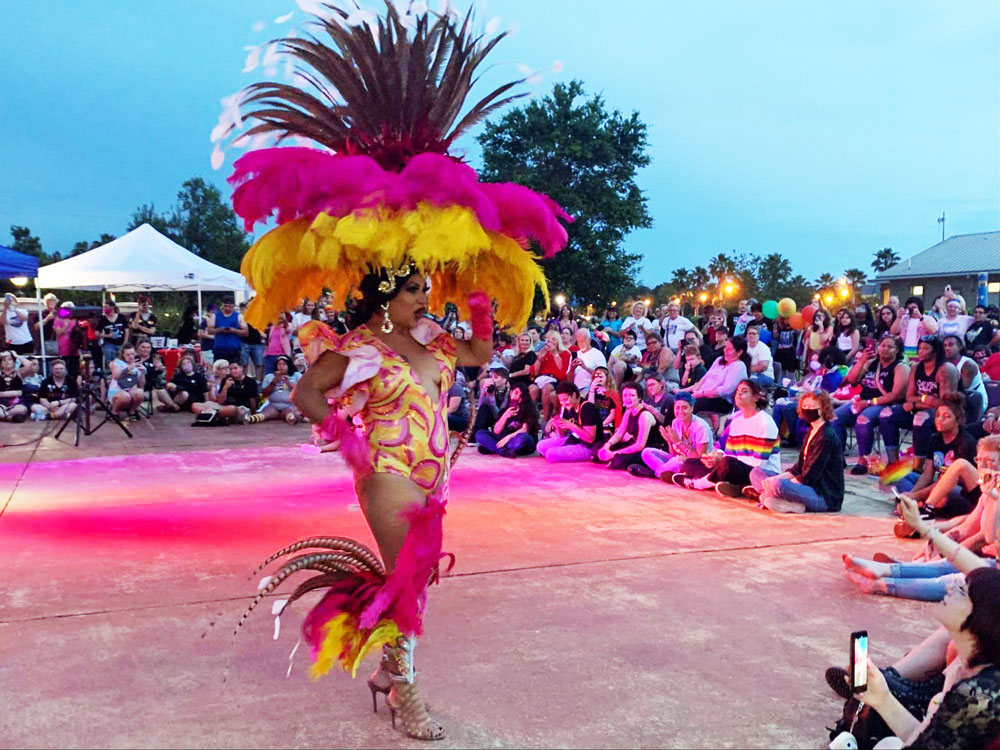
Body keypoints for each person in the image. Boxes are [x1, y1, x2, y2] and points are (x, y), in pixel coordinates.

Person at [846, 515, 1000, 749]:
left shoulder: (979, 694)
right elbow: (926, 738)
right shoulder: (971, 670)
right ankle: (894, 683)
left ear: (981, 618)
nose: (949, 587)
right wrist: (882, 699)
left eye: (961, 591)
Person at [843, 436, 1000, 600]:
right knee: (945, 563)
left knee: (953, 580)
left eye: (990, 461)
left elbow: (987, 536)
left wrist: (950, 550)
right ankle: (889, 569)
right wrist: (938, 541)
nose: (982, 466)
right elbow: (966, 528)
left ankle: (883, 583)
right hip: (987, 560)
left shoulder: (993, 494)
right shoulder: (987, 494)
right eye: (979, 460)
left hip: (994, 566)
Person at [674, 379, 780, 497]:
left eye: (744, 391)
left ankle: (698, 483)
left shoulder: (765, 422)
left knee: (727, 464)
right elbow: (730, 454)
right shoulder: (736, 422)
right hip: (737, 467)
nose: (738, 394)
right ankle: (733, 485)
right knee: (690, 463)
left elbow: (760, 464)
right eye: (737, 391)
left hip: (761, 474)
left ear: (756, 397)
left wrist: (724, 460)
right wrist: (715, 458)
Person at [748, 390, 844, 512]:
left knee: (778, 485)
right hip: (805, 486)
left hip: (822, 495)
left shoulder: (826, 436)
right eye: (805, 406)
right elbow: (798, 468)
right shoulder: (812, 431)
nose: (807, 409)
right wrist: (776, 478)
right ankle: (779, 499)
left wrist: (779, 482)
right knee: (756, 472)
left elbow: (810, 476)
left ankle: (767, 496)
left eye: (812, 407)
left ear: (823, 409)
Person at [891, 395, 980, 521]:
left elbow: (951, 483)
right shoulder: (935, 439)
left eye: (946, 416)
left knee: (947, 493)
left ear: (958, 420)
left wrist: (916, 495)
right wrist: (911, 495)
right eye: (938, 415)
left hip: (957, 490)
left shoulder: (966, 443)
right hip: (935, 487)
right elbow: (927, 475)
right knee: (903, 477)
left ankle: (922, 504)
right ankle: (915, 504)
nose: (940, 419)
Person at [832, 334, 910, 474]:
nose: (885, 349)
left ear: (897, 350)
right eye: (882, 345)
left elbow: (896, 395)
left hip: (884, 403)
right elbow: (852, 379)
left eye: (890, 346)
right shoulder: (872, 363)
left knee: (863, 420)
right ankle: (838, 457)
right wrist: (862, 361)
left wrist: (869, 403)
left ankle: (864, 459)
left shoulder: (900, 367)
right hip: (862, 400)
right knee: (835, 417)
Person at [880, 336, 959, 463]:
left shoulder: (945, 369)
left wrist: (917, 403)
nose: (920, 352)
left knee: (920, 418)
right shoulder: (916, 368)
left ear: (935, 351)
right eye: (919, 348)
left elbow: (944, 402)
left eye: (925, 348)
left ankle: (919, 465)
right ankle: (893, 462)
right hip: (922, 408)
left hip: (948, 412)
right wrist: (925, 399)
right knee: (886, 414)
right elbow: (909, 397)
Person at [639, 392, 713, 481]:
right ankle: (667, 473)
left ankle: (655, 473)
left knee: (677, 461)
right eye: (677, 408)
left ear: (692, 408)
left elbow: (700, 457)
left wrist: (678, 442)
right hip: (679, 459)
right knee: (647, 452)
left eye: (684, 408)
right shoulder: (676, 422)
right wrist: (669, 441)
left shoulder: (700, 427)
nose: (680, 412)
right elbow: (673, 454)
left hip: (697, 463)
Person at [684, 336, 751, 418]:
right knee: (680, 400)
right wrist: (695, 391)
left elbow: (726, 390)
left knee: (688, 406)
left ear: (739, 352)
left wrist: (702, 394)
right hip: (702, 394)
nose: (725, 351)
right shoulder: (719, 360)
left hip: (720, 401)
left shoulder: (738, 366)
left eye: (729, 349)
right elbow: (706, 377)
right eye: (725, 347)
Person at [537, 381, 604, 462]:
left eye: (565, 399)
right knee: (540, 446)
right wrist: (558, 426)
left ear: (574, 395)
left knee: (551, 454)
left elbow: (590, 438)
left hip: (587, 446)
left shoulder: (587, 408)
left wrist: (571, 425)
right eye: (561, 401)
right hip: (573, 440)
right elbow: (562, 436)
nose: (563, 403)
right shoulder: (567, 407)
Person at [597, 381, 657, 471]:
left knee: (618, 460)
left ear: (639, 397)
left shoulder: (644, 415)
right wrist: (607, 445)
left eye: (632, 395)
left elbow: (640, 445)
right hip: (633, 444)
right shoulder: (628, 412)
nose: (628, 398)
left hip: (646, 450)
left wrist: (615, 453)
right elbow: (619, 434)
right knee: (598, 449)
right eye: (625, 396)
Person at [474, 383, 539, 457]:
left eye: (521, 396)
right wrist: (505, 416)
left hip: (519, 440)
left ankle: (493, 448)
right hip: (503, 438)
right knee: (480, 434)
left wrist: (507, 438)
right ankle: (502, 451)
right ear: (511, 393)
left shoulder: (529, 410)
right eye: (516, 393)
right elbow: (496, 431)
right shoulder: (503, 410)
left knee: (522, 439)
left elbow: (524, 430)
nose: (517, 397)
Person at [942, 334, 988, 424]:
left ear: (960, 347)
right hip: (952, 399)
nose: (947, 348)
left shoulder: (968, 364)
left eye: (950, 345)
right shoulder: (944, 363)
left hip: (973, 402)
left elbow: (961, 389)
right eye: (944, 345)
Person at [531, 329, 572, 424]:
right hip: (540, 379)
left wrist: (554, 354)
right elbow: (535, 372)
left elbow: (562, 373)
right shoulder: (542, 352)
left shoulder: (565, 353)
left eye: (553, 339)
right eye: (548, 339)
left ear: (558, 341)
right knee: (532, 389)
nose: (550, 342)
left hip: (555, 380)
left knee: (547, 388)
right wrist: (539, 359)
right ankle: (531, 418)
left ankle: (545, 420)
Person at [247, 355, 301, 424]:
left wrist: (289, 384)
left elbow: (301, 392)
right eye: (279, 364)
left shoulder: (296, 375)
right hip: (273, 405)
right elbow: (264, 394)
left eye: (284, 364)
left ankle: (291, 418)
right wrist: (273, 382)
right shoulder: (269, 376)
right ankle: (249, 419)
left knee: (289, 414)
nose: (281, 366)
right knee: (264, 415)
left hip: (290, 405)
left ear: (289, 365)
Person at [891, 296, 938, 360]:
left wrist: (921, 318)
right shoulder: (904, 319)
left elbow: (933, 331)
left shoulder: (928, 318)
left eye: (914, 307)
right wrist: (898, 317)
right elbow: (893, 332)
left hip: (920, 350)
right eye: (909, 308)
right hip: (904, 350)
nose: (911, 310)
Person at [108, 343, 145, 420]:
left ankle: (132, 412)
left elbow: (141, 385)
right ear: (123, 355)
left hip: (131, 391)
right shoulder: (117, 363)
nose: (131, 356)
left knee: (140, 393)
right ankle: (114, 413)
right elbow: (116, 376)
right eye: (128, 355)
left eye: (132, 354)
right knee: (125, 396)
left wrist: (142, 372)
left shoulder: (137, 364)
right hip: (117, 391)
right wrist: (129, 368)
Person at [214, 360, 259, 425]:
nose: (233, 371)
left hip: (242, 409)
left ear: (241, 368)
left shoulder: (251, 382)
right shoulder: (226, 380)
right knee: (197, 405)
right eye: (230, 369)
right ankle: (217, 416)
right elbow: (220, 401)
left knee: (232, 409)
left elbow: (252, 401)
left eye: (235, 368)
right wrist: (225, 388)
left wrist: (253, 415)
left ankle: (215, 415)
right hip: (225, 407)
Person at [208, 296, 247, 366]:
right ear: (222, 305)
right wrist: (219, 330)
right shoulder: (215, 315)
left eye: (229, 306)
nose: (227, 308)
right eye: (225, 306)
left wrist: (234, 330)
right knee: (219, 370)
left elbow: (246, 332)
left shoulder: (239, 316)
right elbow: (209, 330)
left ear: (233, 306)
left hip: (234, 350)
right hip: (219, 349)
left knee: (234, 371)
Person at [570, 328, 607, 397]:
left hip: (590, 387)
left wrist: (585, 367)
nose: (581, 344)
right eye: (579, 342)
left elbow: (603, 376)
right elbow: (569, 379)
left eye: (583, 341)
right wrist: (572, 369)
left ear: (589, 340)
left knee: (581, 396)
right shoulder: (574, 355)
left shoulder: (597, 354)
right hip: (574, 388)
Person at [587, 366, 622, 431]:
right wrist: (591, 391)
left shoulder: (613, 393)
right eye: (596, 377)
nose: (598, 379)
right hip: (594, 423)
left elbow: (613, 414)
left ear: (607, 378)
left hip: (607, 424)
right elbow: (589, 408)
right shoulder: (592, 392)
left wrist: (601, 425)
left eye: (600, 377)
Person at [0, 350, 29, 422]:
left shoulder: (19, 372)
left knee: (23, 409)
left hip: (15, 403)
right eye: (4, 360)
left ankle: (3, 415)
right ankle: (8, 417)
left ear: (14, 362)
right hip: (0, 403)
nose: (7, 362)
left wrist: (16, 355)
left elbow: (29, 365)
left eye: (10, 359)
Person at [239, 302, 265, 380]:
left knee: (259, 364)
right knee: (244, 364)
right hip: (244, 343)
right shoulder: (243, 317)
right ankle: (244, 382)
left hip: (257, 343)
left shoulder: (260, 317)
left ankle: (258, 383)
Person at [97, 300, 126, 367]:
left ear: (112, 307)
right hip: (109, 344)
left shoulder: (121, 317)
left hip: (121, 342)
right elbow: (97, 333)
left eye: (106, 307)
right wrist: (107, 335)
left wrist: (125, 342)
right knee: (110, 361)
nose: (104, 309)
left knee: (122, 360)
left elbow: (126, 330)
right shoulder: (103, 319)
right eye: (104, 307)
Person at [771, 315, 800, 379]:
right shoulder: (780, 329)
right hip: (781, 352)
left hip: (790, 352)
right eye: (785, 319)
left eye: (788, 319)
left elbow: (798, 333)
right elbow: (775, 337)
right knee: (781, 371)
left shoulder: (794, 329)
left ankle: (791, 384)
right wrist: (775, 327)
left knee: (791, 371)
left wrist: (795, 324)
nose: (787, 321)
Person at [34, 292, 59, 357]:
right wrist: (47, 319)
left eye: (53, 300)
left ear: (56, 302)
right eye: (49, 301)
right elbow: (36, 327)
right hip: (43, 342)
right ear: (45, 303)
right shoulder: (40, 314)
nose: (51, 302)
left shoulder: (60, 313)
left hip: (58, 342)